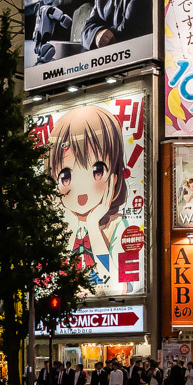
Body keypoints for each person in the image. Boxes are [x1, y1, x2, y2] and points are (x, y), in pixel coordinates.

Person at [46, 104, 138, 294]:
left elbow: (117, 291)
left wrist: (94, 228)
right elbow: (47, 288)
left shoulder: (117, 226)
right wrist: (70, 228)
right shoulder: (53, 229)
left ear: (114, 177)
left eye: (97, 171)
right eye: (66, 176)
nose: (82, 191)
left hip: (108, 312)